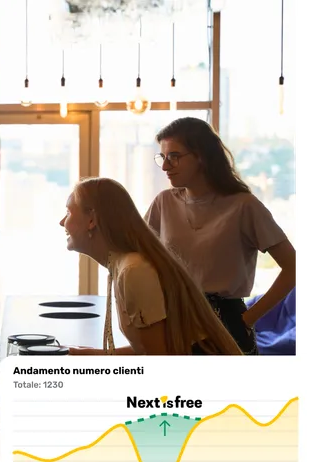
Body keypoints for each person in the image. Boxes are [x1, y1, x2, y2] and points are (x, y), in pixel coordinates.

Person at [145, 117, 298, 355]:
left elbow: (295, 268)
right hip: (174, 320)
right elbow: (141, 259)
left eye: (174, 156)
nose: (165, 166)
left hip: (226, 325)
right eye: (162, 158)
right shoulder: (163, 203)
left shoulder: (244, 206)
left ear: (202, 157)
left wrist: (248, 319)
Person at [60, 177, 242, 356]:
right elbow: (151, 349)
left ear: (92, 220)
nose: (62, 222)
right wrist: (91, 355)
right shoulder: (124, 265)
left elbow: (159, 362)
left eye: (68, 212)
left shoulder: (133, 270)